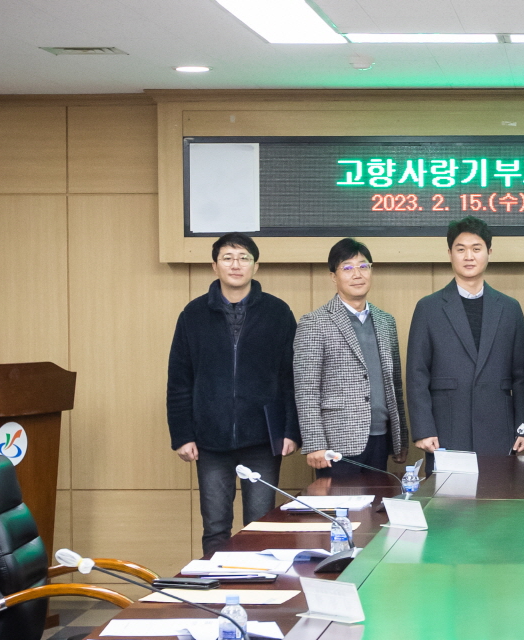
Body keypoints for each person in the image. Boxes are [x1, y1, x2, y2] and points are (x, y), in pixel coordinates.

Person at [166, 233, 299, 556]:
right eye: (227, 258)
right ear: (215, 266)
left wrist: (291, 431)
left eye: (243, 258)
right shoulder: (193, 314)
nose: (235, 265)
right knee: (215, 528)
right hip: (210, 440)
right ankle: (216, 586)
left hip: (262, 439)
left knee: (260, 527)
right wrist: (182, 435)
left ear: (256, 266)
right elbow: (179, 380)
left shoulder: (278, 312)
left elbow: (292, 377)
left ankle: (259, 587)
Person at [408, 217, 524, 457]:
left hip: (500, 428)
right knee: (447, 484)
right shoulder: (428, 308)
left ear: (489, 253)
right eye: (461, 249)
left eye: (476, 249)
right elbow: (417, 374)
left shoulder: (510, 308)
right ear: (449, 254)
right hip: (447, 428)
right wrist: (423, 429)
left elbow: (522, 376)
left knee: (498, 483)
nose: (469, 256)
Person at [294, 238, 408, 478]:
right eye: (347, 267)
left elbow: (394, 385)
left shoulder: (386, 321)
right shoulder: (314, 323)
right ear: (333, 276)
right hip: (336, 444)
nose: (357, 274)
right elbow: (306, 390)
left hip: (381, 438)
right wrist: (314, 443)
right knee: (341, 503)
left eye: (363, 266)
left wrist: (400, 439)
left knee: (378, 502)